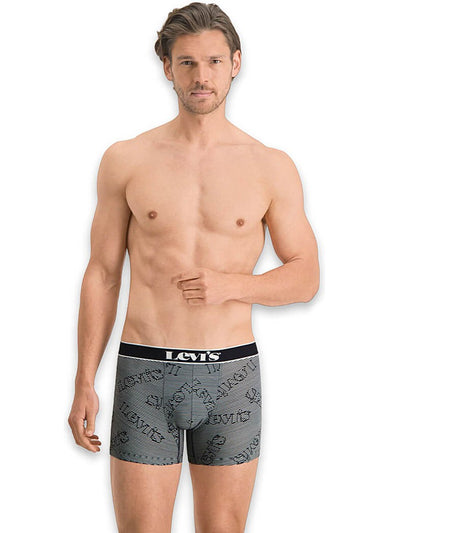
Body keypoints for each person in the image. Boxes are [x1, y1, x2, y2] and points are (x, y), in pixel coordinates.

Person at [68, 2, 319, 532]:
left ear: (235, 63)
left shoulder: (270, 166)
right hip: (144, 370)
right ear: (167, 68)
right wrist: (84, 379)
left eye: (213, 61)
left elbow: (306, 276)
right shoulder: (127, 159)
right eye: (187, 63)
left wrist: (231, 285)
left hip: (231, 374)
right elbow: (103, 273)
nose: (201, 76)